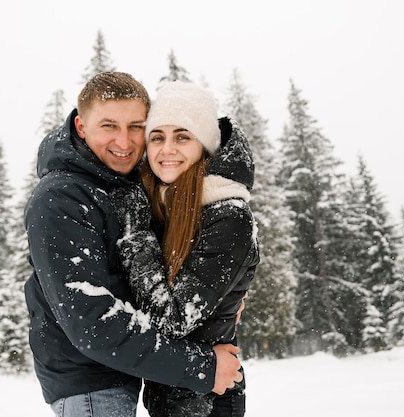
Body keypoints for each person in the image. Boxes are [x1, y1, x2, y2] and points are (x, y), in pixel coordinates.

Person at [23, 72, 243, 417]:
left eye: (136, 127)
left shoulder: (119, 189)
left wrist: (224, 298)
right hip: (89, 385)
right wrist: (201, 367)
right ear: (81, 126)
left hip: (120, 379)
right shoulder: (62, 197)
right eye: (109, 126)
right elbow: (94, 322)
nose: (124, 143)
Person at [108, 81, 260, 417]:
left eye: (182, 136)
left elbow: (173, 319)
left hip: (207, 402)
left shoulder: (228, 215)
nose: (167, 149)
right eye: (157, 137)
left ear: (204, 145)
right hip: (171, 397)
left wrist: (136, 235)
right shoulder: (164, 205)